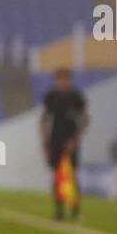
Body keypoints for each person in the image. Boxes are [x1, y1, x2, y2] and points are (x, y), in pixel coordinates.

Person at [40, 67, 88, 220]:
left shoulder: (76, 96)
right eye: (60, 79)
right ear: (56, 81)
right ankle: (59, 212)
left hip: (71, 141)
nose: (62, 82)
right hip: (55, 141)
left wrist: (75, 140)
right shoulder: (51, 96)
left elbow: (85, 119)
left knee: (72, 176)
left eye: (65, 79)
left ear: (69, 80)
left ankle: (75, 211)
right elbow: (43, 120)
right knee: (57, 176)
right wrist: (45, 144)